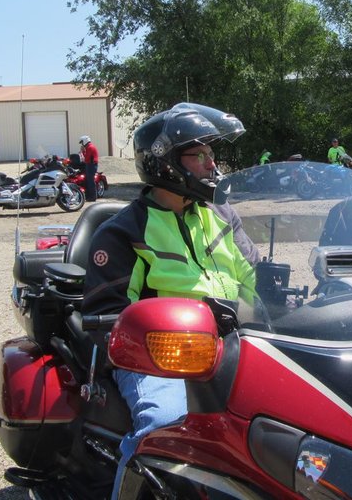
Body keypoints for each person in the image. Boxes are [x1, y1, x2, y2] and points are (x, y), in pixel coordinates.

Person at [81, 103, 259, 499]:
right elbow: (107, 321)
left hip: (236, 345)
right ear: (165, 162)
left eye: (212, 153)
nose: (212, 164)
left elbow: (254, 279)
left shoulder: (220, 213)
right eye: (199, 154)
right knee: (167, 426)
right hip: (163, 359)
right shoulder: (123, 232)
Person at [79, 135, 99, 202]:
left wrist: (83, 152)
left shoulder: (90, 147)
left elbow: (87, 159)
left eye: (82, 142)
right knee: (89, 181)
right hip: (91, 165)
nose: (82, 144)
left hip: (91, 165)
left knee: (90, 181)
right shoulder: (90, 147)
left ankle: (92, 197)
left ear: (85, 141)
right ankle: (90, 196)